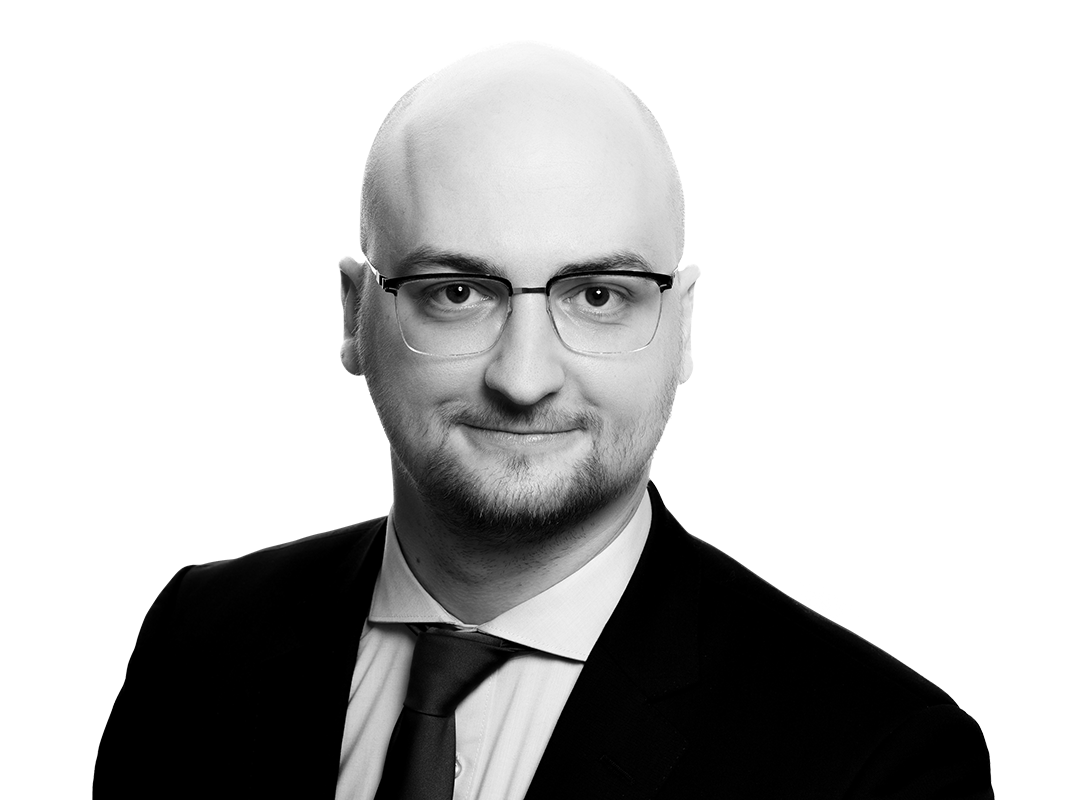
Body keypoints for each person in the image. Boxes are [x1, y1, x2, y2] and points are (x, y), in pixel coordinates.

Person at [93, 44, 993, 799]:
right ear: (354, 318)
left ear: (681, 329)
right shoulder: (195, 646)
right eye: (457, 292)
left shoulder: (879, 764)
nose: (524, 379)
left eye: (597, 295)